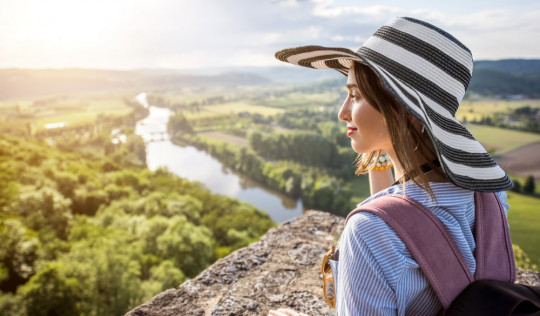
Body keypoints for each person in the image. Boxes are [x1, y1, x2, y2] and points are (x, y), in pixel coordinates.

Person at [268, 17, 513, 315]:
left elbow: (394, 222)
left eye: (356, 95)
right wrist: (385, 149)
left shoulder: (369, 233)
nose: (342, 112)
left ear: (404, 111)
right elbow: (405, 211)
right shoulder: (491, 201)